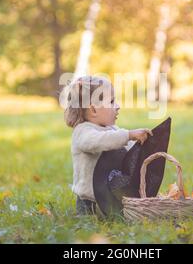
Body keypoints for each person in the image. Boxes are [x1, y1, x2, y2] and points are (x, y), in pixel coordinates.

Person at [64, 75, 152, 216]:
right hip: (90, 202)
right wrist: (128, 135)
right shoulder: (83, 132)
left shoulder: (112, 130)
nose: (117, 106)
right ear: (93, 110)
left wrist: (141, 144)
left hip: (109, 196)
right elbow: (100, 141)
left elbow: (126, 147)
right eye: (111, 101)